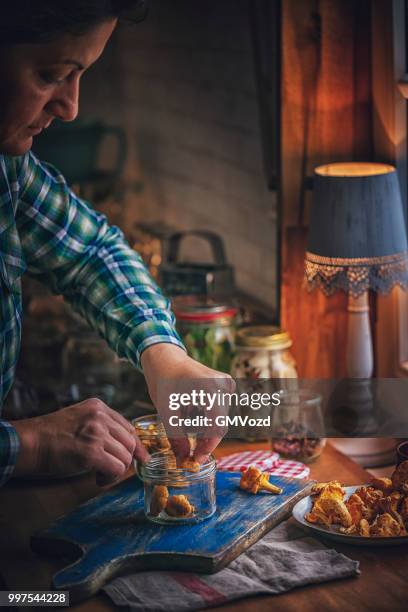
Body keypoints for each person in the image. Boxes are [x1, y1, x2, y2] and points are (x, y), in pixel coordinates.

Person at [0, 0, 231, 487]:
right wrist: (30, 443)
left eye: (80, 75)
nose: (71, 107)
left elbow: (90, 253)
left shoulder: (7, 166)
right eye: (50, 74)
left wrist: (164, 354)